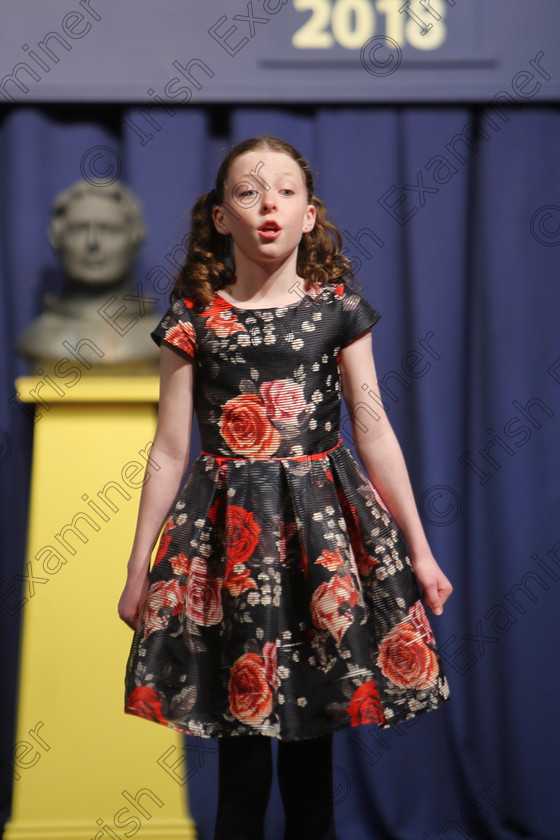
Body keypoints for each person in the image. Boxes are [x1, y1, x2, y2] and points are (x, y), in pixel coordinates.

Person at [118, 135, 453, 840]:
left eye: (286, 192)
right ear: (219, 216)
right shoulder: (193, 319)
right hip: (227, 545)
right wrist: (137, 567)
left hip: (320, 544)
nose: (268, 204)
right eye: (247, 191)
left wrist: (420, 552)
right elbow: (171, 449)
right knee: (240, 772)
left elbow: (374, 429)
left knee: (311, 767)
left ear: (309, 215)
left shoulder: (337, 309)